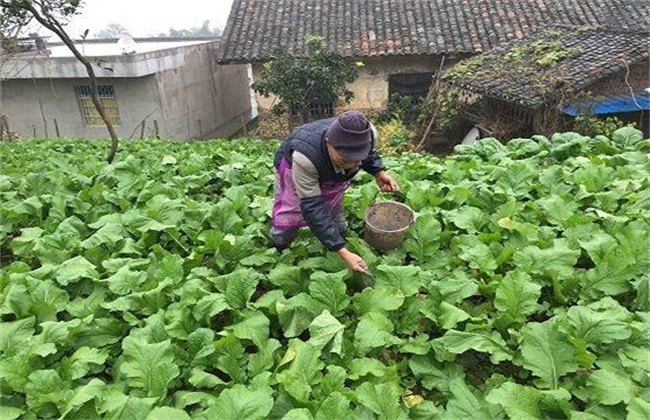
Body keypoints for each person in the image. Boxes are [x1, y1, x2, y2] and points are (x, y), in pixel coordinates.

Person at [270, 110, 399, 273]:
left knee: (334, 209)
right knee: (288, 218)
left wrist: (379, 172)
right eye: (345, 159)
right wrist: (342, 252)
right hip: (292, 168)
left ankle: (338, 234)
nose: (352, 166)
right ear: (328, 143)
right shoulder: (305, 159)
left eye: (357, 159)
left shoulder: (368, 134)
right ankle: (277, 249)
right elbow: (313, 206)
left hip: (329, 170)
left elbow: (369, 154)